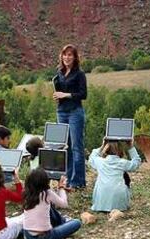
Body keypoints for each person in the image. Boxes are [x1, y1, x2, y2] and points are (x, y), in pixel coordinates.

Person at [53, 44, 87, 189]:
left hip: (75, 112)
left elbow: (83, 94)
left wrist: (65, 95)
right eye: (64, 54)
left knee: (76, 147)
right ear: (61, 56)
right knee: (65, 147)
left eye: (70, 55)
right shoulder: (59, 73)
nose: (67, 57)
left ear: (74, 57)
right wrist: (57, 96)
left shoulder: (79, 74)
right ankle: (68, 178)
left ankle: (78, 182)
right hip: (61, 111)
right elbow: (59, 92)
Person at [22, 168, 81, 239]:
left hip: (27, 235)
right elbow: (64, 204)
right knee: (77, 222)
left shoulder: (26, 193)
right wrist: (61, 187)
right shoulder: (47, 193)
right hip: (45, 237)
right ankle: (64, 222)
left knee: (48, 207)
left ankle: (63, 222)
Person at [88, 139, 141, 212]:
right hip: (120, 206)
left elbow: (92, 157)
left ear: (106, 149)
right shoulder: (122, 163)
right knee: (126, 178)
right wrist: (130, 147)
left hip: (100, 204)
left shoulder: (100, 162)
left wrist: (102, 146)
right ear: (120, 150)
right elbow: (136, 163)